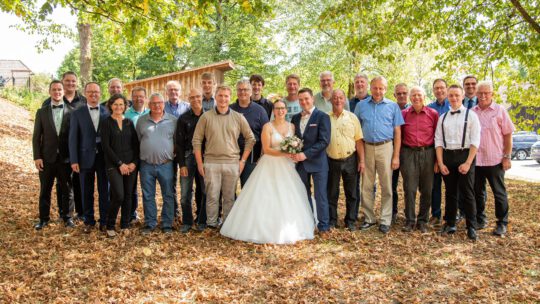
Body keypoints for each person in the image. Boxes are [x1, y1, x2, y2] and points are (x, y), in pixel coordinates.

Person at [220, 100, 316, 244]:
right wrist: (284, 153)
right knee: (265, 195)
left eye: (283, 108)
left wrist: (293, 152)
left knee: (288, 195)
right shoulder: (268, 127)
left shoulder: (292, 126)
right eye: (277, 108)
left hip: (288, 167)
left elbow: (295, 145)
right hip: (270, 164)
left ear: (285, 110)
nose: (280, 111)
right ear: (273, 111)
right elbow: (267, 149)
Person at [192, 85, 255, 229]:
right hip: (211, 163)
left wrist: (243, 160)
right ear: (216, 96)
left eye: (226, 96)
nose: (223, 99)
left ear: (230, 97)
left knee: (229, 197)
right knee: (212, 197)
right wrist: (200, 164)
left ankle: (228, 225)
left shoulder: (238, 117)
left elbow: (250, 138)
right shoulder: (206, 117)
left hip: (232, 163)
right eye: (220, 95)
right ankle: (211, 224)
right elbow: (196, 141)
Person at [354, 76, 404, 234]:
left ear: (385, 89)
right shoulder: (361, 106)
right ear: (370, 88)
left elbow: (397, 132)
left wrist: (395, 156)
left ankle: (385, 219)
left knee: (387, 185)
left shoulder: (393, 106)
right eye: (375, 88)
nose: (378, 91)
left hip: (386, 147)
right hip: (367, 147)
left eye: (381, 88)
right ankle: (369, 218)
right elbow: (356, 132)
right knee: (366, 185)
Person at [435, 84, 481, 240]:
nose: (454, 98)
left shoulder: (471, 115)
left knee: (468, 193)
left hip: (465, 156)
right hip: (448, 157)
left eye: (456, 95)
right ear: (447, 97)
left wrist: (468, 163)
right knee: (450, 193)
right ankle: (450, 223)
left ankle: (471, 226)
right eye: (451, 95)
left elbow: (475, 141)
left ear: (462, 96)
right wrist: (441, 163)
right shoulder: (443, 118)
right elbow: (439, 142)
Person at [42, 71, 86, 220]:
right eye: (67, 81)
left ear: (77, 83)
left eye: (73, 81)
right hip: (55, 154)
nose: (70, 84)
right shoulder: (49, 103)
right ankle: (64, 213)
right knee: (61, 185)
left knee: (77, 183)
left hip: (77, 151)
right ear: (62, 82)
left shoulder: (83, 101)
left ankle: (80, 212)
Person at [472, 81, 514, 236]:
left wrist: (507, 157)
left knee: (499, 193)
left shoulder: (500, 110)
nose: (483, 96)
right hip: (476, 161)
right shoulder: (472, 112)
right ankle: (480, 219)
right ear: (476, 94)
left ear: (492, 94)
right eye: (480, 93)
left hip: (495, 160)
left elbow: (508, 134)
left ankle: (502, 223)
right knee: (478, 192)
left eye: (486, 93)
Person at [32, 80, 75, 229]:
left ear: (63, 92)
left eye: (59, 90)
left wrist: (74, 158)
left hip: (66, 158)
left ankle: (67, 217)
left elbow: (75, 137)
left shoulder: (72, 111)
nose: (57, 92)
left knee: (67, 190)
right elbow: (36, 136)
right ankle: (43, 219)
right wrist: (37, 156)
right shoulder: (41, 112)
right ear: (50, 92)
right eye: (54, 90)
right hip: (46, 158)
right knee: (45, 190)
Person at [69, 82, 110, 233]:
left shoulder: (108, 112)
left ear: (100, 93)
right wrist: (74, 160)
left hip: (104, 158)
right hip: (84, 157)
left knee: (104, 190)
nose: (94, 94)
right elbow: (73, 138)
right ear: (85, 93)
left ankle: (104, 221)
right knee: (86, 191)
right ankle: (88, 221)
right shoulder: (77, 113)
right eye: (90, 92)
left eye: (96, 92)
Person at [136, 93, 178, 234]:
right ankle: (150, 223)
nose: (156, 106)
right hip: (146, 164)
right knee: (148, 195)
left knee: (168, 194)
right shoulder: (142, 121)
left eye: (159, 103)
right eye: (153, 103)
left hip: (166, 164)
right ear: (149, 105)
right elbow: (138, 140)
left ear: (163, 104)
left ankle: (167, 223)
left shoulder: (173, 121)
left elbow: (177, 142)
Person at [291, 88, 331, 233]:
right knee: (303, 194)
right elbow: (294, 139)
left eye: (306, 99)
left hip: (318, 163)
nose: (304, 102)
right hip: (300, 164)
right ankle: (308, 222)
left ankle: (324, 226)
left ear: (312, 99)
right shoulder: (295, 118)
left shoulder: (322, 116)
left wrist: (305, 154)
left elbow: (324, 141)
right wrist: (293, 153)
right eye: (301, 100)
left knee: (320, 195)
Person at [399, 86, 438, 233]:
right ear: (410, 97)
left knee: (427, 189)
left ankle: (423, 221)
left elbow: (437, 136)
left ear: (424, 97)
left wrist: (436, 160)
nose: (416, 98)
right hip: (408, 153)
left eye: (419, 95)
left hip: (428, 152)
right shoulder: (403, 114)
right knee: (409, 188)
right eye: (413, 95)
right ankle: (410, 221)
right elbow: (399, 135)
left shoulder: (433, 114)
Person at [100, 94, 140, 237]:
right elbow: (106, 147)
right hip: (114, 165)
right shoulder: (106, 123)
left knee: (128, 195)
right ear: (110, 105)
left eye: (121, 104)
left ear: (125, 106)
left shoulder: (129, 122)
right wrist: (120, 164)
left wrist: (134, 163)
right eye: (115, 104)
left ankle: (125, 224)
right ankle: (110, 225)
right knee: (119, 195)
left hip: (130, 165)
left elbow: (136, 145)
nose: (118, 107)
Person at [326, 89, 364, 231]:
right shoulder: (325, 118)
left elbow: (359, 141)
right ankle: (332, 220)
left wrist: (362, 161)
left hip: (350, 159)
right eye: (335, 97)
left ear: (344, 100)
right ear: (331, 100)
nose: (338, 100)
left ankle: (351, 221)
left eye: (340, 97)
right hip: (331, 160)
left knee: (352, 192)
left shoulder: (352, 117)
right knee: (332, 192)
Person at [176, 88, 207, 233]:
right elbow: (179, 144)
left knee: (205, 191)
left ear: (202, 97)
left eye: (198, 97)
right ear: (188, 99)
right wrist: (181, 164)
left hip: (206, 157)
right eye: (192, 97)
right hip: (188, 157)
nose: (196, 100)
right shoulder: (183, 118)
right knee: (185, 193)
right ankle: (187, 222)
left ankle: (202, 220)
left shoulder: (209, 116)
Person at [230, 79, 269, 186]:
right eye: (240, 90)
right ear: (236, 92)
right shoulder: (229, 109)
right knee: (229, 188)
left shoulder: (260, 110)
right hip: (231, 153)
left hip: (252, 156)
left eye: (246, 90)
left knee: (248, 187)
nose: (243, 92)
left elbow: (266, 134)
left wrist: (262, 155)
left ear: (251, 92)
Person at [164, 80, 190, 218]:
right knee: (171, 181)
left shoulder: (188, 107)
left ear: (180, 91)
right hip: (168, 150)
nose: (173, 92)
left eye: (176, 89)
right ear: (166, 92)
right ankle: (174, 211)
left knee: (186, 183)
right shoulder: (161, 108)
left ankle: (189, 212)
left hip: (185, 151)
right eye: (170, 90)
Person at [124, 86, 149, 223]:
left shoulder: (152, 112)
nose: (138, 99)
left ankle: (149, 216)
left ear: (145, 98)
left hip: (146, 155)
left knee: (147, 187)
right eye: (135, 96)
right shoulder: (126, 114)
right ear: (131, 97)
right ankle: (131, 214)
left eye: (141, 96)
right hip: (131, 156)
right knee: (131, 187)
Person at [427, 79, 450, 226]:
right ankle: (435, 214)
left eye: (442, 88)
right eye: (436, 88)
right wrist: (436, 159)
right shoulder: (430, 108)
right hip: (435, 152)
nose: (439, 90)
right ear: (433, 90)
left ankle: (450, 215)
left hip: (452, 152)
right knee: (434, 186)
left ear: (446, 89)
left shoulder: (453, 105)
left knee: (451, 187)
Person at [391, 83, 410, 222]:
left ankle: (410, 213)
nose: (402, 95)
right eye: (399, 93)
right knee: (391, 183)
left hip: (410, 152)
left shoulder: (414, 108)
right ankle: (392, 212)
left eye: (404, 93)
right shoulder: (390, 109)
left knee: (410, 184)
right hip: (393, 151)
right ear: (394, 95)